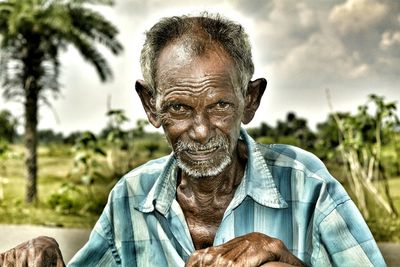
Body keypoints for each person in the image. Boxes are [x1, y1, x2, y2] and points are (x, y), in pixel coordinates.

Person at [0, 13, 386, 267]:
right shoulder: (131, 198)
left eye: (220, 105)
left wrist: (289, 262)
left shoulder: (308, 184)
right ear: (151, 107)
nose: (201, 131)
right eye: (180, 108)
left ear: (249, 101)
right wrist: (48, 257)